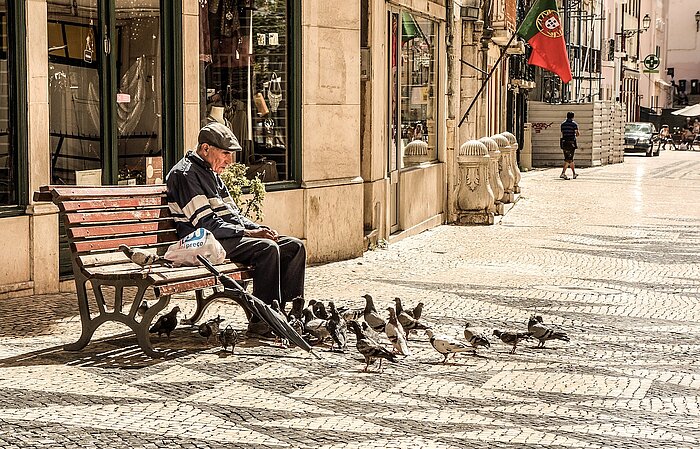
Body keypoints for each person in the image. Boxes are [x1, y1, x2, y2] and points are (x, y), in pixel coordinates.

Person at [166, 122, 306, 337]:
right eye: (225, 154)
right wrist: (250, 234)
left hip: (220, 237)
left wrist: (258, 228)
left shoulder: (210, 172)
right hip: (202, 242)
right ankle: (262, 320)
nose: (229, 161)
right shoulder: (186, 174)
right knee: (266, 248)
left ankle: (288, 314)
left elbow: (233, 215)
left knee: (294, 246)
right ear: (205, 149)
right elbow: (205, 224)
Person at [559, 111, 579, 180]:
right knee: (569, 159)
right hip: (571, 143)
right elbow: (577, 133)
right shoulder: (574, 124)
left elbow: (562, 133)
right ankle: (563, 173)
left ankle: (573, 173)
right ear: (573, 117)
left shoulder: (563, 124)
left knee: (569, 159)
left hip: (564, 142)